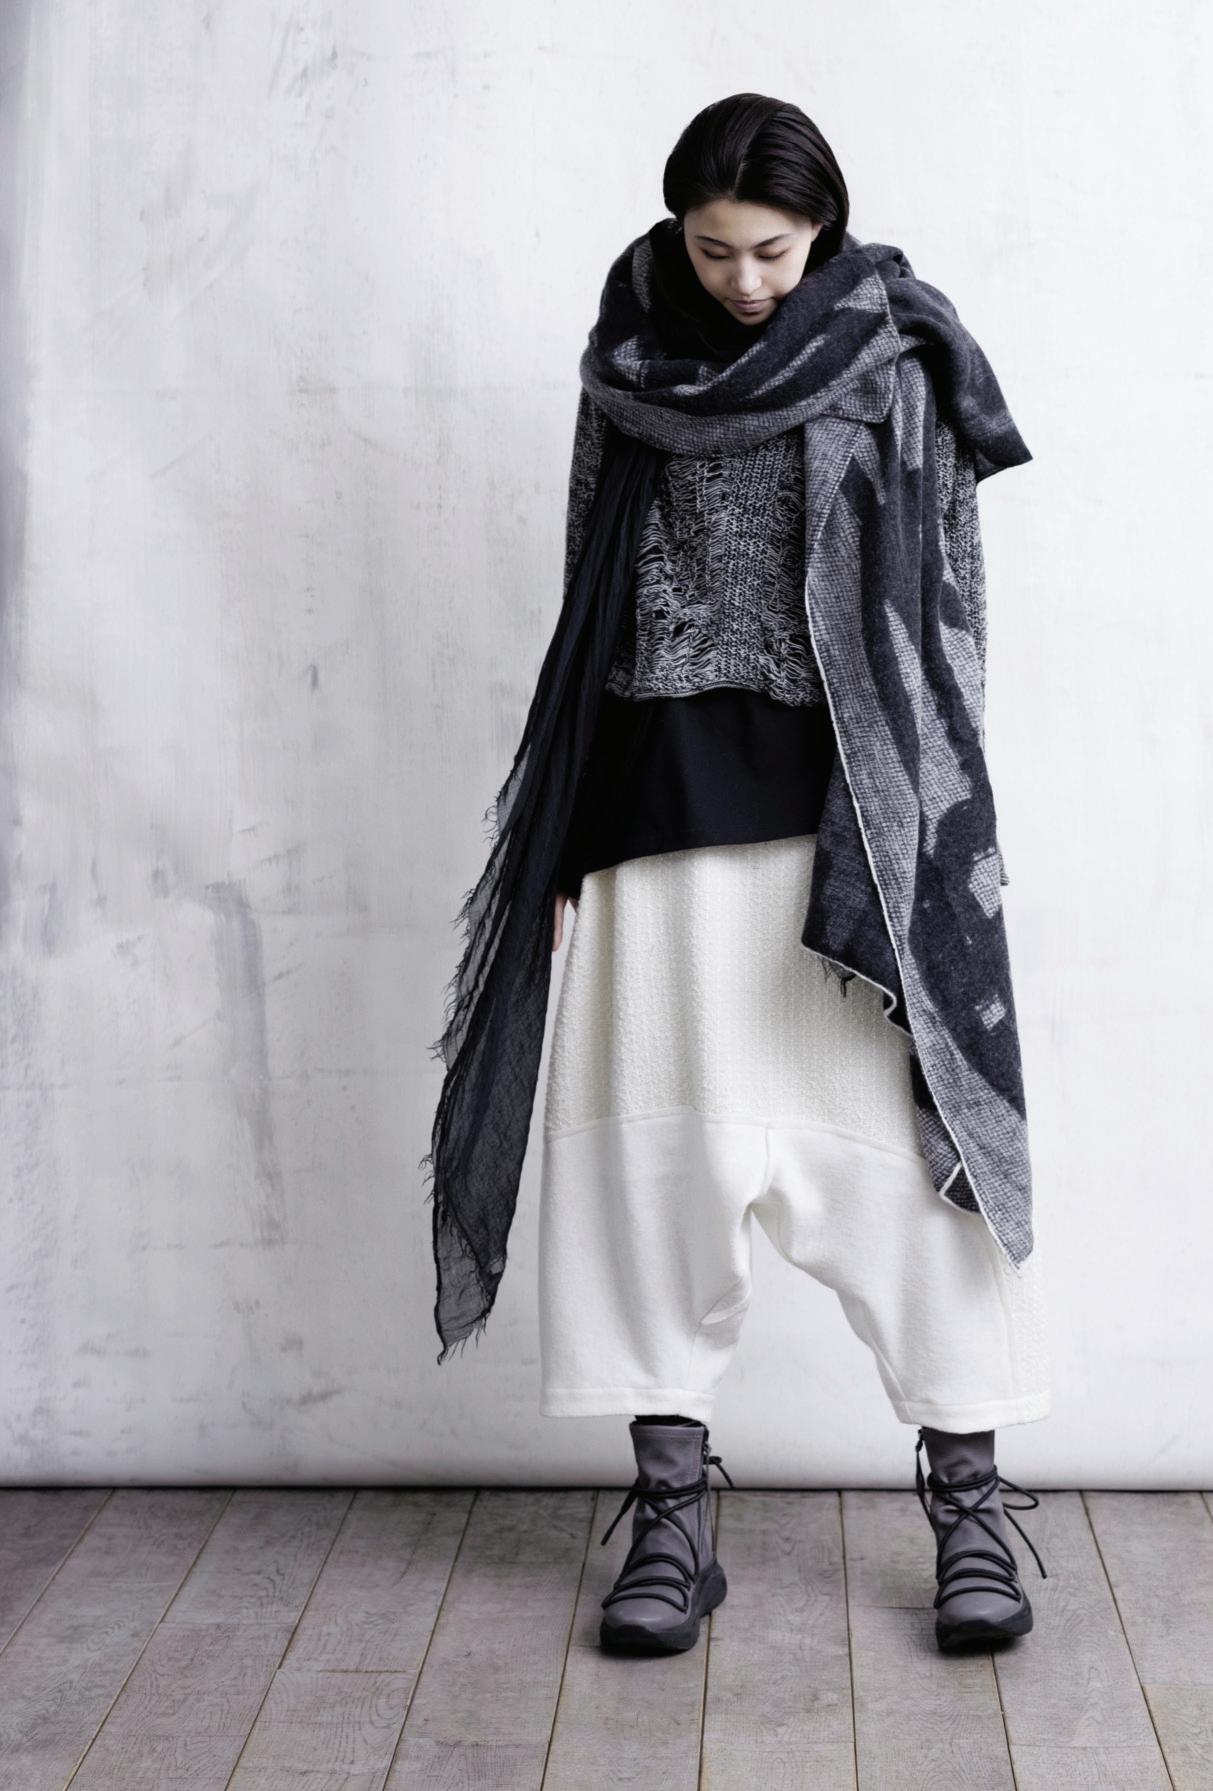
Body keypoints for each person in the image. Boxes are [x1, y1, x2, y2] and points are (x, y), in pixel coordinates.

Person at [423, 91, 1052, 1658]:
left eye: (772, 249)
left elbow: (951, 605)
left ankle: (970, 1509)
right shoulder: (630, 365)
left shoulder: (897, 357)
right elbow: (591, 596)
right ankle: (670, 1522)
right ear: (677, 232)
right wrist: (564, 833)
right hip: (657, 802)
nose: (746, 280)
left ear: (819, 228)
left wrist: (940, 832)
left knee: (904, 1174)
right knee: (655, 1166)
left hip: (850, 811)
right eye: (716, 250)